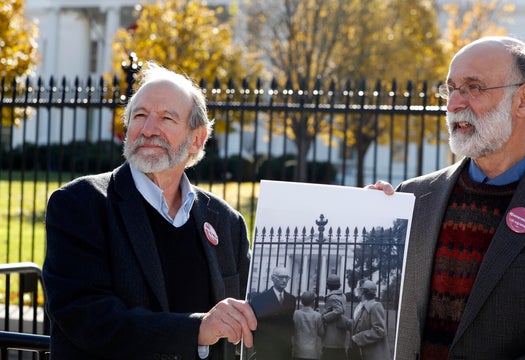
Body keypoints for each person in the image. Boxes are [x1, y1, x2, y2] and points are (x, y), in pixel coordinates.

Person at [367, 36, 525, 359]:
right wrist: (364, 220)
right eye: (451, 88)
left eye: (473, 87)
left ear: (524, 100)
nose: (454, 103)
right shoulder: (411, 198)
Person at [42, 63, 257, 360]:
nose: (148, 129)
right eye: (139, 116)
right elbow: (88, 317)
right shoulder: (81, 204)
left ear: (197, 138)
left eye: (167, 118)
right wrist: (196, 329)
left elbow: (255, 316)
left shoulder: (225, 222)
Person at [249, 266, 296, 359]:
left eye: (287, 278)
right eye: (281, 277)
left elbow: (289, 321)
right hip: (266, 348)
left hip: (284, 348)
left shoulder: (291, 299)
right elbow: (255, 325)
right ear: (272, 278)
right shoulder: (259, 299)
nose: (284, 280)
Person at [349, 280, 390, 360]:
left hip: (373, 355)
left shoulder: (375, 306)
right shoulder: (361, 306)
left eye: (359, 289)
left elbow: (380, 331)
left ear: (363, 291)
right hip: (362, 353)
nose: (357, 291)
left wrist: (357, 338)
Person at [320, 274, 349, 360]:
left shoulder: (332, 297)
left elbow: (338, 310)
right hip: (340, 328)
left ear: (328, 285)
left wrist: (325, 317)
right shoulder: (342, 295)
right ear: (339, 285)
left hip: (332, 329)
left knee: (330, 351)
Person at [292, 291, 324, 360]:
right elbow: (321, 333)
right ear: (313, 302)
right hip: (312, 352)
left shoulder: (295, 314)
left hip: (298, 350)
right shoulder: (317, 315)